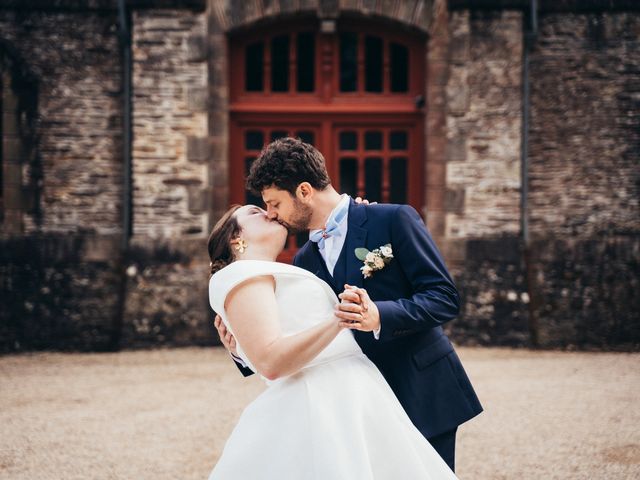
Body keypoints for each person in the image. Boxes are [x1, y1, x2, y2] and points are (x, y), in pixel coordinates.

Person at [215, 137, 482, 471]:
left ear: (304, 191)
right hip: (356, 408)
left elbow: (444, 297)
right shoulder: (303, 260)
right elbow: (295, 331)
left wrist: (379, 316)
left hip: (419, 388)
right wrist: (241, 351)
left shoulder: (393, 219)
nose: (271, 214)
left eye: (274, 203)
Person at [207, 204, 458, 479]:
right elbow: (271, 360)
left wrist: (360, 216)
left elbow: (285, 330)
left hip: (370, 391)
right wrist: (339, 319)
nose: (270, 212)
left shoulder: (288, 269)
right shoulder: (245, 275)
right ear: (235, 238)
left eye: (273, 204)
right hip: (324, 402)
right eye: (256, 212)